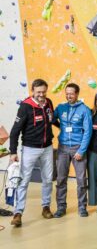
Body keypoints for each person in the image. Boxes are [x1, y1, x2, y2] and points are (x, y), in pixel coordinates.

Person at [9, 79, 55, 227]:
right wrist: (13, 151)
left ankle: (46, 207)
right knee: (24, 181)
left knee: (47, 179)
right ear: (32, 91)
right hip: (30, 148)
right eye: (38, 92)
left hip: (47, 148)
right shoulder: (25, 106)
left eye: (43, 92)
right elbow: (15, 130)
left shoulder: (49, 103)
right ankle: (18, 212)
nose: (41, 95)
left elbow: (52, 120)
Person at [53, 83, 92, 217]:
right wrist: (61, 128)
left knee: (81, 180)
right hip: (63, 148)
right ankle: (61, 207)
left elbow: (88, 131)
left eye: (72, 93)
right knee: (61, 179)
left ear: (77, 94)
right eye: (67, 93)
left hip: (78, 148)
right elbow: (52, 119)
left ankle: (82, 207)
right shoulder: (60, 107)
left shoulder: (84, 109)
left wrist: (81, 150)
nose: (69, 96)